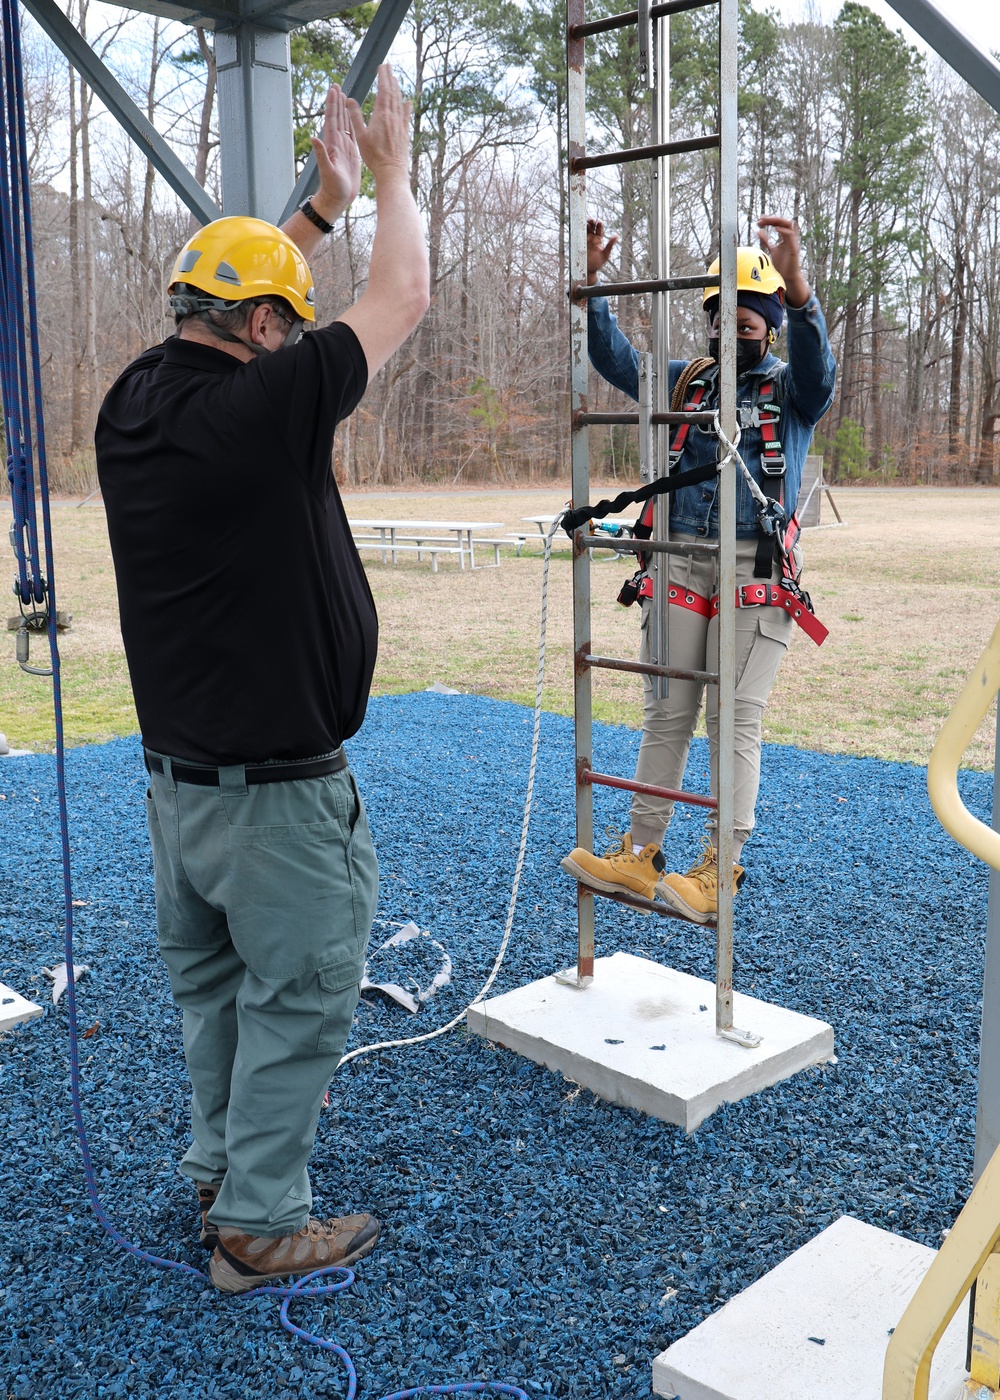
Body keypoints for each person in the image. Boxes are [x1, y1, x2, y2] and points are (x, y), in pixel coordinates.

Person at [95, 68, 429, 1293]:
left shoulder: (134, 405)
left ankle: (220, 1169)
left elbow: (252, 288)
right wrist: (391, 176)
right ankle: (259, 1223)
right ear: (268, 336)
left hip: (180, 793)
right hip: (279, 796)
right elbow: (406, 294)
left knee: (217, 988)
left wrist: (317, 214)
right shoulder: (266, 409)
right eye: (284, 318)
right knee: (301, 997)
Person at [561, 215, 836, 923]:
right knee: (668, 710)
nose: (733, 332)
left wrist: (798, 287)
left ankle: (719, 868)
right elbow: (621, 362)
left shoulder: (792, 391)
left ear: (770, 327)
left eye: (749, 322)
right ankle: (640, 852)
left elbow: (820, 371)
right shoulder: (690, 380)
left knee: (735, 718)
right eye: (723, 319)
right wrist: (593, 289)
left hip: (755, 566)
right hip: (682, 554)